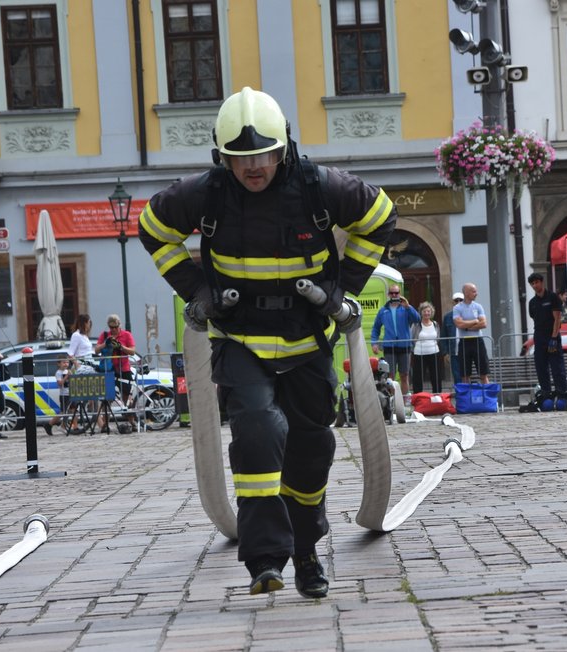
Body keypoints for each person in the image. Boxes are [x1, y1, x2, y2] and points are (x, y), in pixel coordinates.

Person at [137, 87, 395, 598]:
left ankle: (304, 551)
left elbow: (379, 218)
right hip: (241, 341)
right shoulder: (204, 194)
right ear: (222, 158)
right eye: (239, 158)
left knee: (311, 449)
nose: (253, 167)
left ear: (284, 149)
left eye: (263, 155)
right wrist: (198, 292)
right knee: (256, 431)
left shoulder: (321, 187)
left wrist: (341, 290)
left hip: (307, 341)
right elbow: (152, 229)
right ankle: (264, 561)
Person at [370, 284, 419, 397]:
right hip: (389, 347)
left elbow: (417, 319)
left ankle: (405, 400)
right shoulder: (383, 310)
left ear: (400, 294)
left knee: (404, 375)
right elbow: (376, 328)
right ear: (388, 295)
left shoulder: (405, 308)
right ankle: (392, 401)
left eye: (396, 293)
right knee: (390, 376)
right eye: (392, 293)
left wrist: (408, 306)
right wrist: (374, 343)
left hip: (404, 346)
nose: (394, 295)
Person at [527, 272, 567, 402]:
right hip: (539, 336)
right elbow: (534, 318)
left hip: (552, 336)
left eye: (536, 282)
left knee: (557, 367)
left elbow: (557, 319)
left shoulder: (553, 297)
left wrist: (554, 338)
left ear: (542, 282)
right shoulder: (532, 303)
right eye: (532, 284)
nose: (535, 285)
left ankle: (562, 393)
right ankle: (546, 394)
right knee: (541, 367)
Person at [454, 283, 490, 384]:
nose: (476, 293)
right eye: (474, 291)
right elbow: (459, 324)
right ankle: (467, 398)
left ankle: (486, 397)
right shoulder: (457, 308)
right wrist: (475, 321)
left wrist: (467, 327)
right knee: (465, 374)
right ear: (466, 293)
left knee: (483, 373)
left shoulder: (478, 307)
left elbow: (483, 323)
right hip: (464, 342)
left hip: (478, 341)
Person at [94, 315, 136, 404]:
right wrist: (105, 343)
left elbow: (132, 351)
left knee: (127, 399)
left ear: (119, 325)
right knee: (108, 400)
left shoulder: (126, 335)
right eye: (111, 327)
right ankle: (106, 417)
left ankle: (131, 417)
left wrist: (120, 346)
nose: (113, 329)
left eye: (115, 327)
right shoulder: (105, 335)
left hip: (124, 370)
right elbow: (96, 350)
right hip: (109, 370)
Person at [410, 301, 442, 393]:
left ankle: (437, 396)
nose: (426, 313)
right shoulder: (416, 325)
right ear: (421, 313)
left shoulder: (435, 324)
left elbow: (438, 338)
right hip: (419, 354)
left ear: (431, 312)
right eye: (424, 311)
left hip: (434, 352)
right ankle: (418, 397)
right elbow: (412, 338)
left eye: (428, 311)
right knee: (418, 378)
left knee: (436, 376)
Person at [43, 355, 71, 436]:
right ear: (59, 364)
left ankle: (60, 425)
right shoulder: (58, 373)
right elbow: (60, 383)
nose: (66, 364)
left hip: (69, 393)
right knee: (64, 412)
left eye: (67, 362)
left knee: (68, 410)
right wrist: (66, 376)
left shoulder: (67, 371)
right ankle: (51, 424)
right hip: (64, 394)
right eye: (64, 362)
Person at [442, 292, 463, 386]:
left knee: (467, 375)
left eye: (460, 300)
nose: (458, 302)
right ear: (453, 302)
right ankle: (460, 397)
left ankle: (467, 397)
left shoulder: (468, 314)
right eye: (456, 300)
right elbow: (443, 336)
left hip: (467, 349)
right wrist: (445, 352)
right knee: (456, 375)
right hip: (454, 351)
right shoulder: (447, 317)